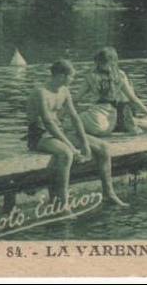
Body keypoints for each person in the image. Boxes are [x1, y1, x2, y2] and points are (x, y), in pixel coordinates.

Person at [26, 59, 128, 207]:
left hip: (59, 132)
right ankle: (62, 204)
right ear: (61, 76)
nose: (73, 80)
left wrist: (85, 144)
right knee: (66, 154)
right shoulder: (40, 92)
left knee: (104, 148)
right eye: (71, 76)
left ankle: (109, 193)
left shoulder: (64, 91)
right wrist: (72, 147)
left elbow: (75, 118)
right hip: (40, 135)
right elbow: (48, 123)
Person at [77, 47, 147, 136]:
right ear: (114, 61)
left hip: (97, 113)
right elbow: (134, 99)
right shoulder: (120, 75)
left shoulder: (91, 76)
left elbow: (76, 98)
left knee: (76, 121)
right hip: (112, 116)